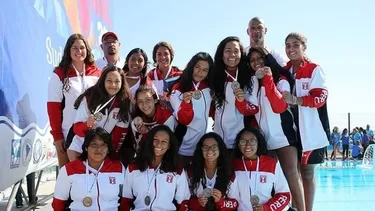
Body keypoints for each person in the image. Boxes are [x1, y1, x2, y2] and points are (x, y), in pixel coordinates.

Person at [247, 47, 305, 211]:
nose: (257, 62)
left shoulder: (281, 79)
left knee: (292, 176)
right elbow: (251, 109)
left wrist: (268, 79)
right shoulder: (253, 83)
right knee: (273, 182)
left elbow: (279, 106)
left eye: (260, 58)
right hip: (265, 139)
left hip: (284, 136)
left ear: (267, 59)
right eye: (252, 60)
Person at [282, 32, 330, 211]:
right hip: (291, 130)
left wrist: (295, 100)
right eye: (288, 45)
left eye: (295, 45)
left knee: (307, 173)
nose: (291, 49)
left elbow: (320, 98)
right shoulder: (285, 70)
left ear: (304, 47)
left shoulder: (314, 68)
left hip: (312, 131)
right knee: (292, 174)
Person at [47, 33, 101, 168]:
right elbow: (53, 108)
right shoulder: (59, 74)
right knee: (68, 177)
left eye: (82, 48)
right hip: (67, 134)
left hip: (92, 133)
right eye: (75, 48)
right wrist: (58, 136)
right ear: (68, 50)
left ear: (87, 50)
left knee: (90, 176)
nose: (79, 51)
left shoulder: (97, 73)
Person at [67, 65, 131, 161]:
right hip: (80, 149)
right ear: (103, 81)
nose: (113, 85)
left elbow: (118, 138)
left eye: (117, 81)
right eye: (109, 81)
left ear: (122, 83)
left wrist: (109, 157)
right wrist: (87, 125)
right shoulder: (90, 97)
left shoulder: (124, 104)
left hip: (102, 153)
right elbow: (77, 129)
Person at [52, 127, 125, 211]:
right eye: (94, 145)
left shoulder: (119, 168)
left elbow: (125, 200)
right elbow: (58, 203)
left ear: (108, 149)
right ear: (86, 147)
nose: (99, 149)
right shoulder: (68, 170)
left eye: (103, 145)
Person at [121, 125, 190, 210]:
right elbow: (126, 200)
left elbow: (183, 202)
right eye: (155, 140)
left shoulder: (177, 170)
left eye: (164, 142)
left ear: (169, 146)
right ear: (150, 142)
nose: (159, 144)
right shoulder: (133, 168)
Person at [210, 36, 258, 150]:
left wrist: (242, 102)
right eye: (228, 51)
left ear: (241, 54)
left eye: (236, 51)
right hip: (219, 140)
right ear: (221, 55)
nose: (232, 55)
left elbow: (254, 108)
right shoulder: (214, 77)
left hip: (241, 142)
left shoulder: (250, 78)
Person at [169, 52, 214, 167]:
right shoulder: (178, 88)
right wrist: (186, 103)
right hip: (182, 146)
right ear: (191, 66)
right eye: (197, 67)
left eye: (205, 70)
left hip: (200, 146)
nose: (200, 72)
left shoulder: (209, 87)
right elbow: (183, 119)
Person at [233, 127, 290, 211]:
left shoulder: (271, 163)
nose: (247, 145)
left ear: (258, 143)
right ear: (238, 144)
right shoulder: (234, 165)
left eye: (252, 141)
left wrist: (266, 208)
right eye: (243, 141)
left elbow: (284, 195)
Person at [188, 132, 239, 211]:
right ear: (200, 149)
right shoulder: (191, 171)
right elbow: (185, 201)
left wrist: (220, 202)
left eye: (214, 147)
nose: (210, 151)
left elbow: (235, 203)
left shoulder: (229, 172)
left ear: (220, 149)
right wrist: (198, 203)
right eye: (205, 147)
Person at [131, 85, 176, 149]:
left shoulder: (167, 118)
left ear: (155, 100)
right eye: (140, 101)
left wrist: (147, 132)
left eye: (148, 100)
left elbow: (164, 145)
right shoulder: (136, 118)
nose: (144, 104)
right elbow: (137, 145)